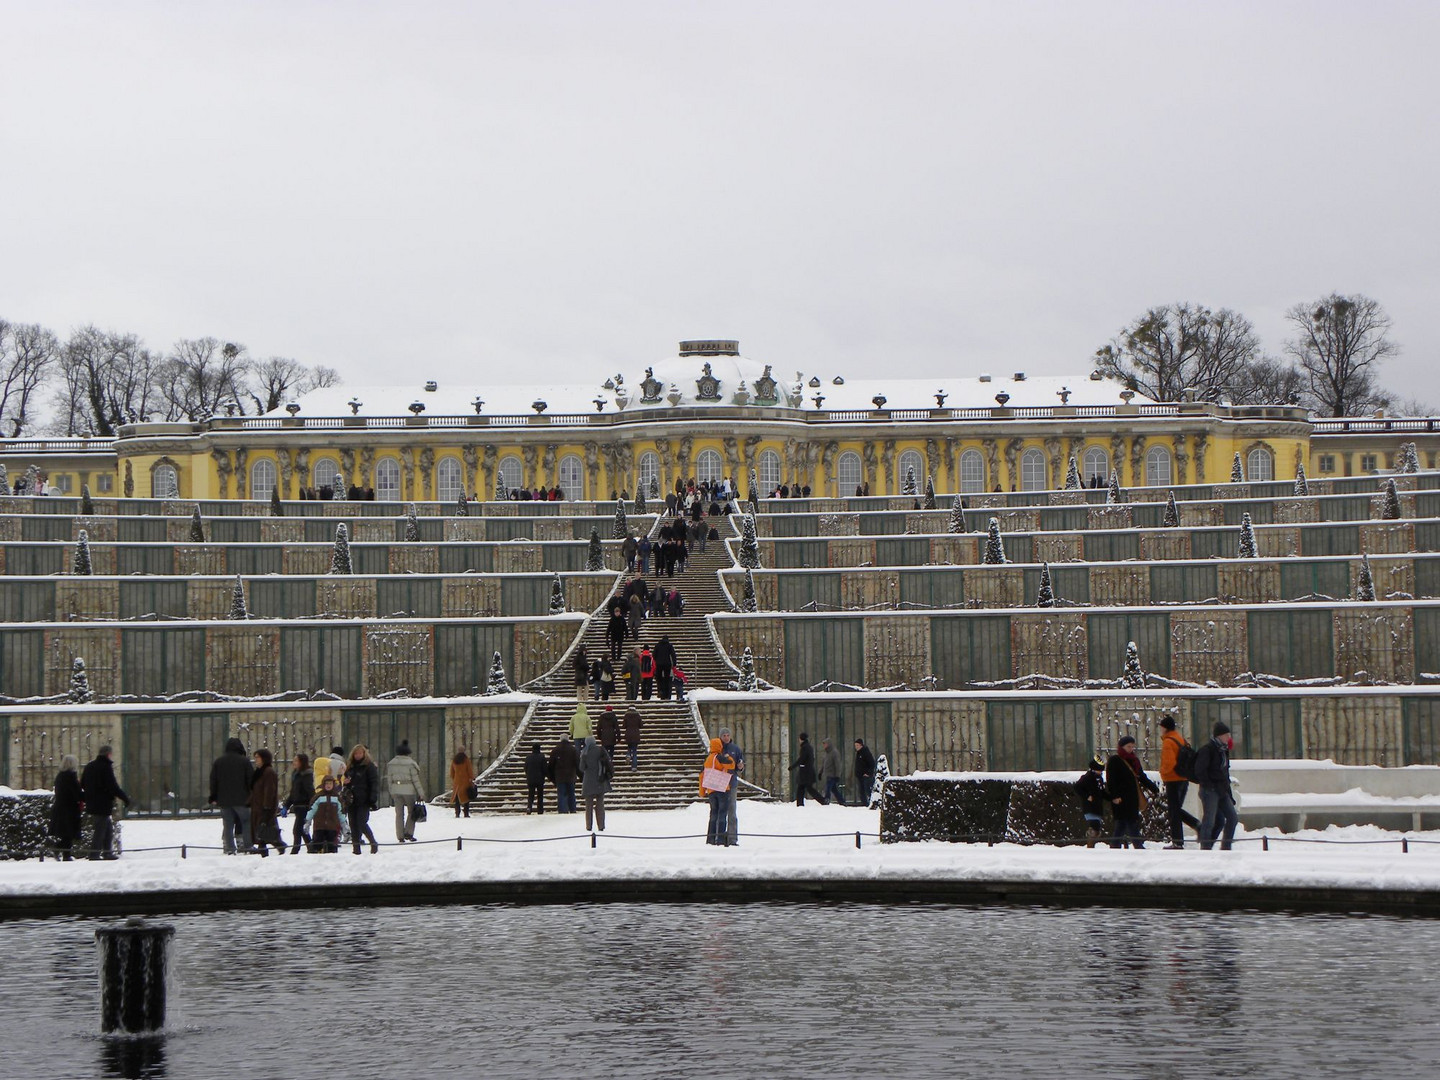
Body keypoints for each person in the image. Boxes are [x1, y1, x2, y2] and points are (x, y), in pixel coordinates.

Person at [1106, 735, 1159, 849]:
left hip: (1131, 798)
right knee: (1127, 822)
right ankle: (1137, 846)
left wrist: (1154, 788)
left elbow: (1141, 777)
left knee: (1125, 822)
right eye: (1128, 746)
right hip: (1120, 798)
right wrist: (1114, 796)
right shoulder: (1114, 760)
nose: (1131, 749)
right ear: (1122, 747)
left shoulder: (1134, 761)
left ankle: (1116, 846)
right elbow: (1111, 780)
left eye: (1132, 747)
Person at [1158, 716, 1202, 849]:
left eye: (1161, 727)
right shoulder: (1179, 738)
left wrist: (1163, 774)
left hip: (1173, 780)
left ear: (1165, 728)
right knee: (1176, 810)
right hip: (1183, 779)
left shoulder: (1168, 742)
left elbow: (1168, 763)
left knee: (1174, 812)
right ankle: (1196, 825)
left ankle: (1178, 842)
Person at [1195, 722, 1239, 851]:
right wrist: (1209, 785)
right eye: (1226, 735)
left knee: (1232, 817)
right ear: (1219, 736)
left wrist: (1229, 794)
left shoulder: (1224, 751)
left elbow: (1225, 773)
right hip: (1210, 790)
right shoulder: (1208, 750)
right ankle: (1205, 848)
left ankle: (1226, 847)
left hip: (1222, 790)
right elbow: (1200, 770)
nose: (1228, 737)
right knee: (1210, 821)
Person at [81, 746, 130, 860]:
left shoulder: (90, 766)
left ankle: (107, 852)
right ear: (108, 754)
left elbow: (83, 783)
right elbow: (112, 786)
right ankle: (95, 854)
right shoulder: (106, 767)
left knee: (107, 827)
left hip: (92, 801)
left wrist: (91, 792)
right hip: (103, 802)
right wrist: (124, 798)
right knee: (100, 829)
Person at [209, 736, 254, 855]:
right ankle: (248, 845)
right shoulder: (244, 761)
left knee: (228, 824)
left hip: (224, 799)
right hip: (242, 799)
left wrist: (213, 796)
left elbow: (213, 781)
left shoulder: (219, 762)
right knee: (246, 821)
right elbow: (251, 780)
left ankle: (229, 848)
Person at [385, 741, 426, 842]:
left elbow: (389, 779)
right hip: (409, 790)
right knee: (411, 812)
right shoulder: (411, 763)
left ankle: (400, 836)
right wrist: (421, 793)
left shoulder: (391, 763)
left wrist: (391, 790)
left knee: (399, 814)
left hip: (396, 789)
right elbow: (415, 780)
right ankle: (409, 832)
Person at [700, 737, 736, 845]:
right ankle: (719, 839)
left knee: (713, 814)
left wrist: (702, 791)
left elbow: (702, 775)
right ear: (719, 746)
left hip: (711, 790)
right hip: (721, 788)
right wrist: (728, 756)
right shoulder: (720, 757)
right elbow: (731, 764)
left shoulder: (707, 759)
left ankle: (710, 838)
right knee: (722, 814)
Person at [345, 744, 380, 854]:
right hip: (351, 799)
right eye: (356, 753)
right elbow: (345, 780)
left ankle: (373, 842)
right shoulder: (350, 766)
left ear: (364, 754)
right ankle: (356, 848)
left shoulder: (369, 766)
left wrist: (372, 797)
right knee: (353, 824)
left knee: (361, 822)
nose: (358, 755)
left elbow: (374, 782)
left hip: (364, 799)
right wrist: (345, 782)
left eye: (360, 753)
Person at [249, 748, 284, 857]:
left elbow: (269, 791)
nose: (256, 760)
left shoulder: (268, 772)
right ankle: (264, 850)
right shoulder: (259, 772)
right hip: (257, 806)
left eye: (258, 757)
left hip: (264, 808)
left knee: (266, 829)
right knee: (261, 831)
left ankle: (278, 846)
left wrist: (267, 806)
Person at [49, 755, 84, 861]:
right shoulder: (71, 777)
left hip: (60, 807)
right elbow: (77, 793)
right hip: (70, 809)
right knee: (69, 832)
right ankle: (62, 852)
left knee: (66, 833)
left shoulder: (60, 776)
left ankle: (65, 854)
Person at [578, 735, 613, 832]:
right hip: (600, 779)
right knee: (600, 804)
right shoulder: (600, 750)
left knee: (588, 806)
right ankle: (601, 825)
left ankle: (589, 826)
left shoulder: (584, 752)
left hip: (588, 781)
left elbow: (581, 768)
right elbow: (607, 761)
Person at [718, 729, 745, 844]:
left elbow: (741, 765)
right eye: (724, 735)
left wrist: (740, 766)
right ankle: (719, 837)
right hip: (719, 783)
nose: (726, 737)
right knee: (720, 810)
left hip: (732, 782)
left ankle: (732, 838)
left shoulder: (736, 749)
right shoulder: (717, 749)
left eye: (728, 735)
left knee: (732, 811)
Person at [306, 776, 345, 854]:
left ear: (333, 785)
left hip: (332, 827)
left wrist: (344, 825)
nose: (328, 785)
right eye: (326, 783)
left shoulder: (337, 797)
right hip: (319, 826)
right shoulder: (318, 797)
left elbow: (340, 813)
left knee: (331, 847)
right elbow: (312, 810)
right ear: (323, 784)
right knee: (317, 845)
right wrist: (307, 821)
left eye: (330, 783)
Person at [1076, 755, 1109, 848]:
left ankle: (1091, 845)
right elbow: (1077, 787)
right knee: (1094, 826)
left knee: (1097, 828)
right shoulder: (1088, 777)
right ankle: (1090, 846)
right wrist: (1087, 796)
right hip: (1090, 807)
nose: (1101, 772)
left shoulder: (1099, 779)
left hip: (1097, 807)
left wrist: (1111, 798)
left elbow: (1102, 792)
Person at [285, 753, 314, 854]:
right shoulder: (296, 774)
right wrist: (286, 805)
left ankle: (295, 850)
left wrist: (312, 805)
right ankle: (311, 847)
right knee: (302, 830)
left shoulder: (306, 775)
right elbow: (293, 792)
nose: (294, 763)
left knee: (297, 829)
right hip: (297, 806)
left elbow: (310, 791)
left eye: (296, 761)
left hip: (304, 806)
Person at [790, 732, 826, 806]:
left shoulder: (805, 748)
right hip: (807, 771)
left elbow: (801, 759)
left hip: (805, 772)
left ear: (801, 739)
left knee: (807, 788)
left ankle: (822, 801)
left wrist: (792, 766)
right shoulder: (808, 747)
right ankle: (800, 804)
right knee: (803, 788)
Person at [548, 736, 579, 814]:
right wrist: (581, 775)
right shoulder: (573, 749)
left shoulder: (555, 750)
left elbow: (551, 765)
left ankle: (562, 810)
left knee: (561, 794)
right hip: (571, 775)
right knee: (571, 794)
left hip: (559, 776)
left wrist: (552, 778)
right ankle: (572, 809)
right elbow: (577, 764)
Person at [818, 738, 847, 805]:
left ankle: (827, 799)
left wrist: (837, 775)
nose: (824, 746)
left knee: (828, 788)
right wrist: (820, 772)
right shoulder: (827, 753)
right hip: (828, 774)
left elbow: (837, 764)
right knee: (834, 789)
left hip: (832, 775)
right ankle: (842, 801)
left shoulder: (834, 752)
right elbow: (824, 764)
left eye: (825, 744)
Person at [523, 742, 548, 814]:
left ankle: (529, 807)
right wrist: (546, 775)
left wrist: (528, 775)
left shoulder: (528, 757)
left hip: (530, 779)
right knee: (540, 795)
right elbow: (545, 769)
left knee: (531, 795)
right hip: (540, 779)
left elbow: (525, 768)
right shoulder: (542, 757)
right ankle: (540, 810)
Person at [450, 750, 475, 818]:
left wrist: (455, 779)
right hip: (465, 781)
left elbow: (452, 773)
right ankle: (466, 813)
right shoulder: (466, 760)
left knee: (457, 798)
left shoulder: (454, 761)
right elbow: (469, 770)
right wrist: (471, 778)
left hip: (457, 782)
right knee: (466, 798)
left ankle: (457, 813)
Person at [853, 738, 877, 807]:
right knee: (861, 791)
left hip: (865, 776)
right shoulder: (858, 753)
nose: (856, 747)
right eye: (855, 746)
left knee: (867, 790)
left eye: (857, 745)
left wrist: (868, 773)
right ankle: (865, 804)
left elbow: (872, 763)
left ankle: (870, 803)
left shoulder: (865, 753)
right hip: (860, 776)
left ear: (861, 745)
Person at [653, 635, 676, 699]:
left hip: (659, 664)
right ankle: (666, 693)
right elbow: (673, 655)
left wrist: (656, 661)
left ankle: (660, 690)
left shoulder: (658, 645)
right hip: (667, 664)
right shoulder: (669, 645)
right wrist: (674, 664)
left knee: (659, 678)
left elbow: (654, 655)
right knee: (666, 679)